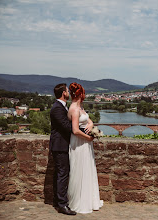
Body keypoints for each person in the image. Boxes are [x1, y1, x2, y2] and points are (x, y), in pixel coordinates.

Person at [67, 82, 104, 214]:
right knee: (79, 170)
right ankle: (80, 201)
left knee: (87, 169)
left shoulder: (80, 107)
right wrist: (88, 138)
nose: (84, 96)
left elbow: (88, 120)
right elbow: (75, 130)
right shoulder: (74, 109)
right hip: (79, 142)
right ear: (80, 94)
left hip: (85, 143)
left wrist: (91, 124)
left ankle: (90, 199)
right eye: (83, 94)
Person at [49, 83, 76, 215]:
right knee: (62, 174)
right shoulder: (57, 108)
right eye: (67, 91)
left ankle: (58, 200)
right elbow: (66, 126)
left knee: (61, 173)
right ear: (63, 93)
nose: (69, 93)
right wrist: (83, 129)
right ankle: (62, 205)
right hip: (60, 146)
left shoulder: (61, 107)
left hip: (62, 145)